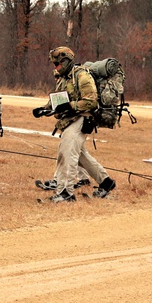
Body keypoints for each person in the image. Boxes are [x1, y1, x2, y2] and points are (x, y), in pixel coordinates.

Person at [32, 47, 116, 203]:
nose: (55, 67)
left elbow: (91, 101)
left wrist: (71, 106)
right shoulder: (64, 78)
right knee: (81, 157)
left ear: (66, 61)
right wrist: (43, 109)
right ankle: (106, 182)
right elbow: (56, 101)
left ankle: (65, 192)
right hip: (69, 121)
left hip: (81, 119)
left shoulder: (82, 76)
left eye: (57, 63)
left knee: (67, 155)